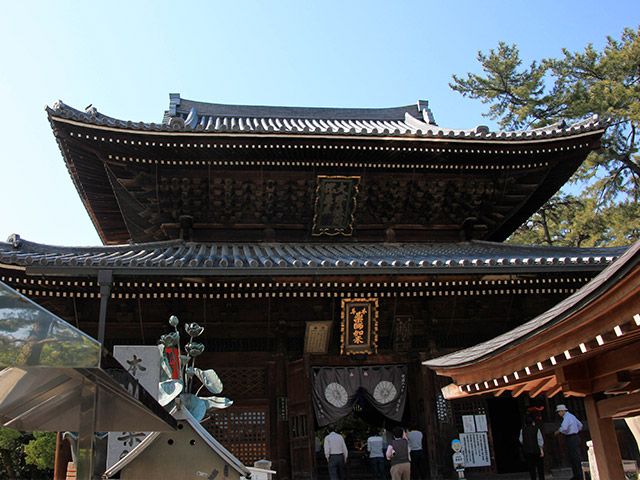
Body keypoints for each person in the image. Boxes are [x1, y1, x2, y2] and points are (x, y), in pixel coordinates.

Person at [554, 404, 583, 480]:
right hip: (575, 436)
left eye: (559, 412)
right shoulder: (572, 416)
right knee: (575, 456)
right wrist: (575, 430)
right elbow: (580, 425)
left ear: (563, 411)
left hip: (571, 438)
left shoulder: (567, 417)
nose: (558, 413)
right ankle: (578, 475)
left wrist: (558, 431)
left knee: (574, 457)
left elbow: (564, 428)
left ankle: (578, 476)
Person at [519, 414, 544, 480]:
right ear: (533, 422)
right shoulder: (536, 429)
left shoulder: (522, 430)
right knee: (540, 467)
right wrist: (541, 449)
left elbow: (521, 440)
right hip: (536, 450)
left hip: (527, 451)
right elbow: (540, 440)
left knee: (531, 468)